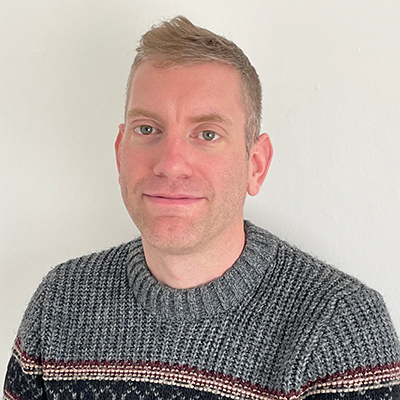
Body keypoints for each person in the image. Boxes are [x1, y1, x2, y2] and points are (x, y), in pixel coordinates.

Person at [3, 15, 400, 400]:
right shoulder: (61, 301)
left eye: (207, 134)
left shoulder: (338, 328)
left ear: (255, 165)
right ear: (119, 153)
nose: (171, 163)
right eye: (147, 129)